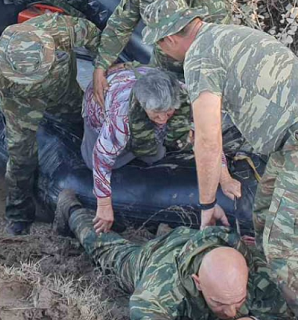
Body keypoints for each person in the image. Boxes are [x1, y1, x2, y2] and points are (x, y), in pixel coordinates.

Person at [141, 0, 298, 320]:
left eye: (161, 45)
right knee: (263, 215)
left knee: (286, 253)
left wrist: (206, 204)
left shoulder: (199, 58)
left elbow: (207, 139)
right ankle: (268, 296)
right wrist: (225, 176)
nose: (163, 53)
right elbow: (220, 124)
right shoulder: (229, 35)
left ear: (170, 37)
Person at [53, 189, 294, 320]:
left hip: (201, 245)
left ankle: (165, 230)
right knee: (108, 251)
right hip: (155, 257)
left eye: (238, 300)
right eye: (219, 303)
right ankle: (72, 210)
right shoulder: (162, 283)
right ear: (198, 282)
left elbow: (284, 319)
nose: (231, 313)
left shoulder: (259, 272)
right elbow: (146, 317)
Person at [0, 13, 100, 235]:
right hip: (21, 103)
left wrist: (101, 69)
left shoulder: (60, 28)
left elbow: (98, 39)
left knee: (83, 125)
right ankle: (19, 215)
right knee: (21, 158)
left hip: (63, 90)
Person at [83, 66, 241, 233]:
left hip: (141, 82)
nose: (163, 119)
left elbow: (207, 139)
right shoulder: (120, 117)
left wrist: (224, 177)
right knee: (95, 162)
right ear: (143, 106)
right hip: (100, 104)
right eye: (157, 114)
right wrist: (104, 204)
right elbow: (101, 158)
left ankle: (145, 143)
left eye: (168, 112)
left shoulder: (184, 94)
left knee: (155, 154)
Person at [92, 0, 233, 106]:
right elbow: (120, 24)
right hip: (160, 64)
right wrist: (101, 65)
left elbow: (217, 61)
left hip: (199, 73)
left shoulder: (212, 3)